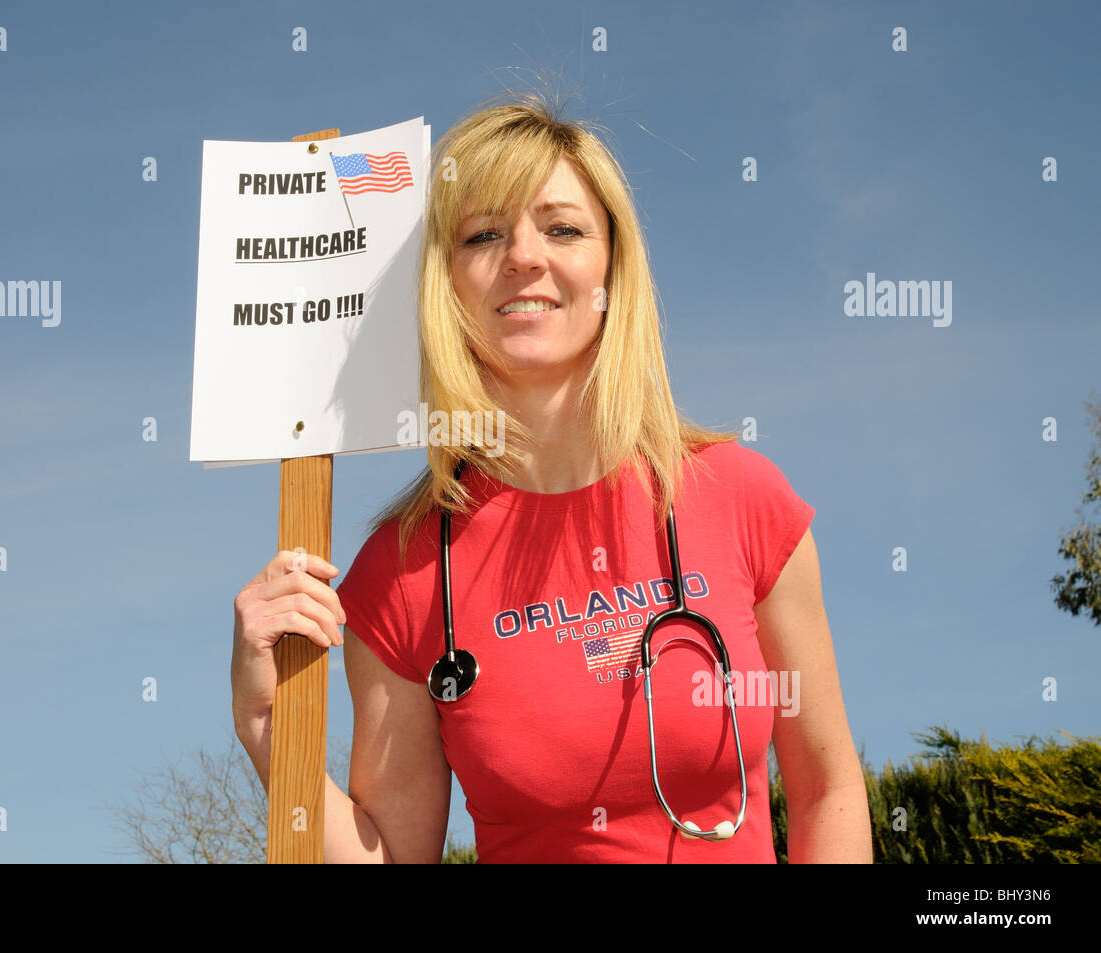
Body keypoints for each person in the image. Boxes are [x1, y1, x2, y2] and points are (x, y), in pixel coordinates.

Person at [231, 95, 871, 863]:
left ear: (613, 267)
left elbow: (827, 786)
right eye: (483, 234)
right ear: (446, 285)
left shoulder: (743, 499)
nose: (524, 256)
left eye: (562, 227)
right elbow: (394, 858)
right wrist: (269, 728)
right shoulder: (398, 575)